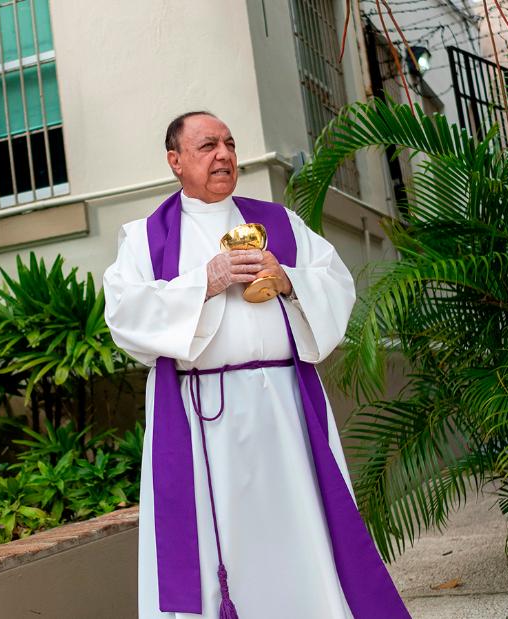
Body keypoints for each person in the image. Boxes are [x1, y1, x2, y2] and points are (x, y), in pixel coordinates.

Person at [103, 112, 409, 619]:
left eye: (229, 143)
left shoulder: (280, 222)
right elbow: (125, 314)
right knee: (219, 545)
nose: (223, 154)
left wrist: (287, 279)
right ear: (175, 161)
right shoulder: (144, 238)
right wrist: (205, 280)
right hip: (202, 417)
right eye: (206, 146)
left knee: (299, 529)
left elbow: (335, 282)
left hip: (283, 407)